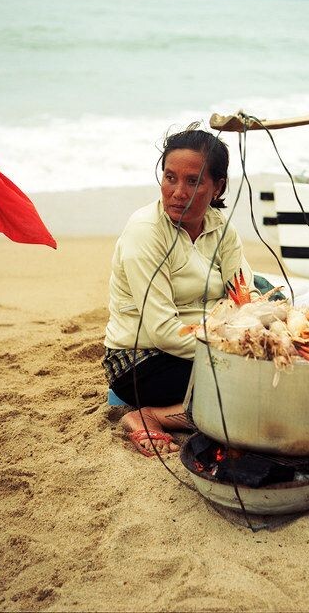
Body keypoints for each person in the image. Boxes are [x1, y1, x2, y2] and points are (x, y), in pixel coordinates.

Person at [103, 125, 254, 457]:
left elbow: (245, 298)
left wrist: (255, 333)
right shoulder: (146, 232)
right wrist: (237, 352)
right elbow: (164, 333)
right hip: (141, 359)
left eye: (193, 181)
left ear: (218, 187)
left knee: (268, 375)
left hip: (207, 344)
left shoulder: (221, 229)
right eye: (170, 177)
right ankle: (149, 415)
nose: (177, 192)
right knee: (249, 394)